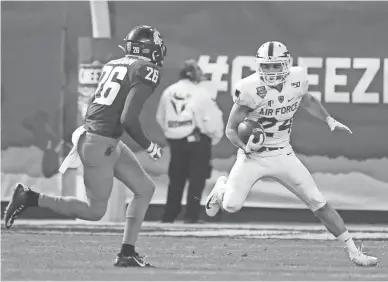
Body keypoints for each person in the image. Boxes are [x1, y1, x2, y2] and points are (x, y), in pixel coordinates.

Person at [4, 25, 167, 268]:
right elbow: (128, 119)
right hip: (100, 142)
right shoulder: (146, 70)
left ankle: (127, 253)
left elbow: (98, 105)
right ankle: (30, 197)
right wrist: (149, 145)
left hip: (102, 139)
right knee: (94, 212)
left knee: (145, 188)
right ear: (148, 49)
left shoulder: (114, 63)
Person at [205, 41, 378, 267]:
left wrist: (329, 119)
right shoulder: (249, 88)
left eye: (275, 66)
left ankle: (354, 252)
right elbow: (230, 129)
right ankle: (222, 188)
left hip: (283, 154)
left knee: (318, 202)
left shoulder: (297, 79)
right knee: (231, 206)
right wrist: (244, 147)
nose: (270, 72)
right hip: (253, 157)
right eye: (265, 67)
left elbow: (307, 100)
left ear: (286, 64)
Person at [156, 60, 224, 223]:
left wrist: (172, 133)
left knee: (176, 180)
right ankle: (190, 216)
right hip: (197, 140)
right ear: (193, 73)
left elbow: (161, 117)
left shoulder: (169, 91)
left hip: (176, 142)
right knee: (196, 179)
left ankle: (169, 216)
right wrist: (214, 136)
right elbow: (213, 120)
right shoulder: (201, 93)